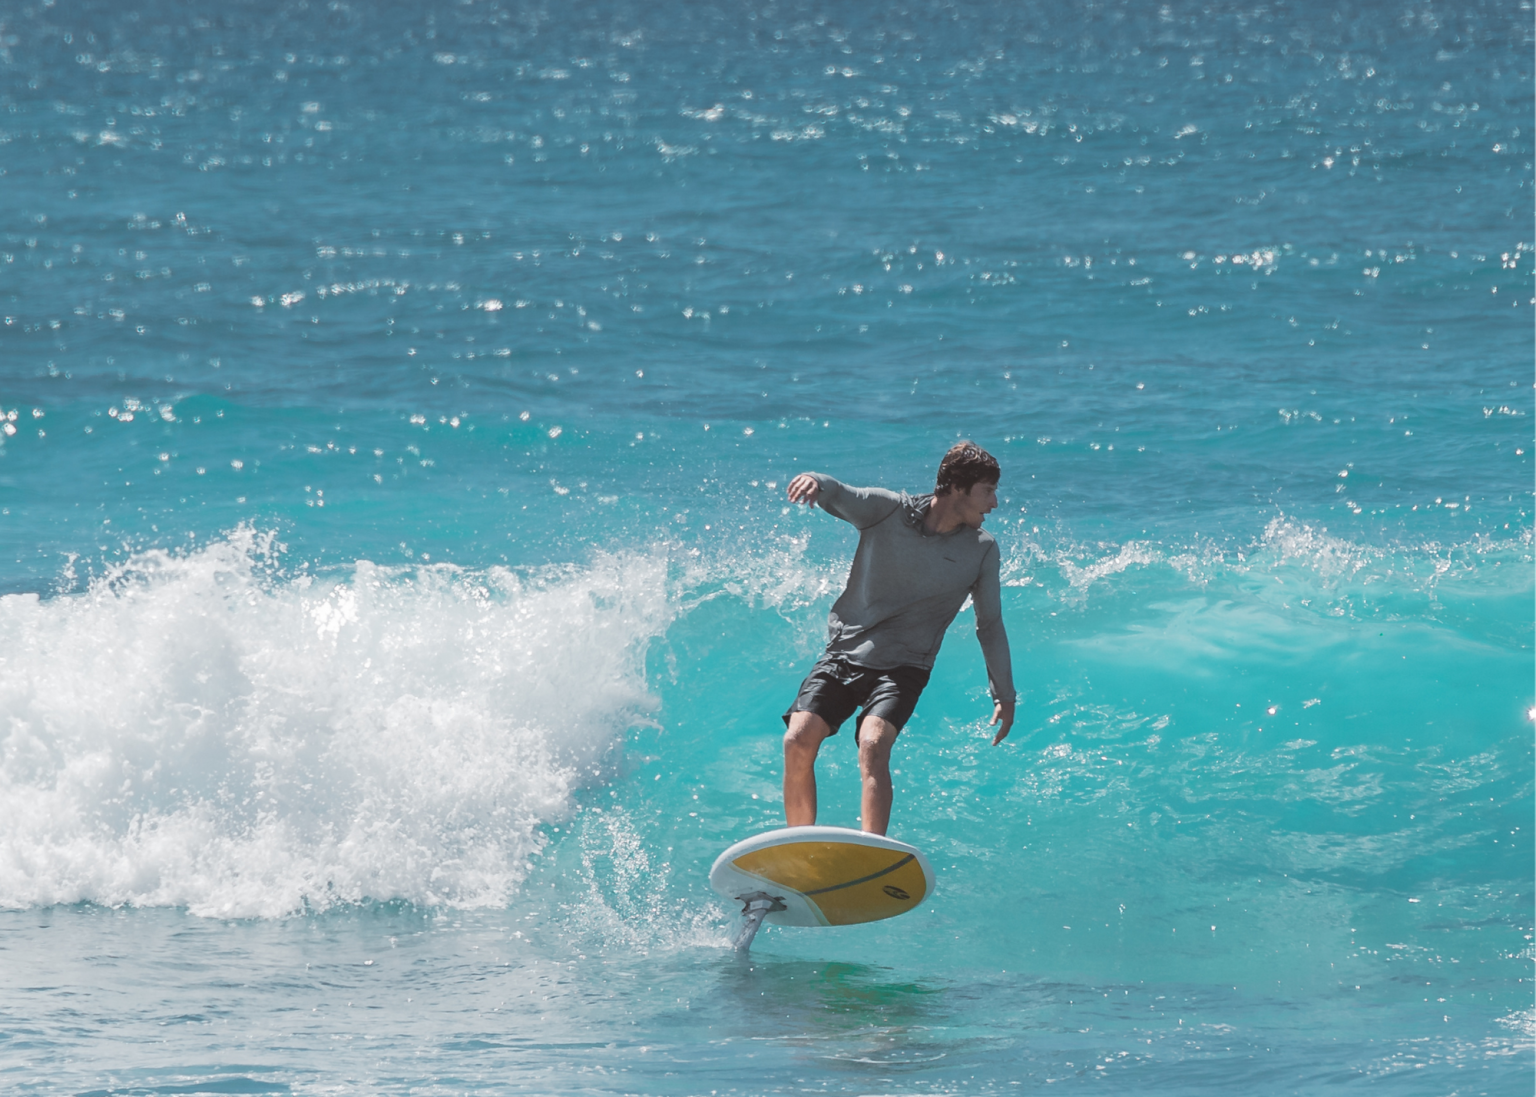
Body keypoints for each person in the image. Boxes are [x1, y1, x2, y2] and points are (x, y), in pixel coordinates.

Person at [781, 441, 1016, 836]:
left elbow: (989, 624)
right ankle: (796, 846)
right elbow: (840, 493)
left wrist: (1004, 695)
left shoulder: (981, 550)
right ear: (957, 488)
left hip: (904, 667)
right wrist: (814, 481)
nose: (994, 504)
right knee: (797, 739)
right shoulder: (887, 511)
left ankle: (872, 856)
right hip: (845, 653)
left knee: (873, 744)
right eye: (987, 492)